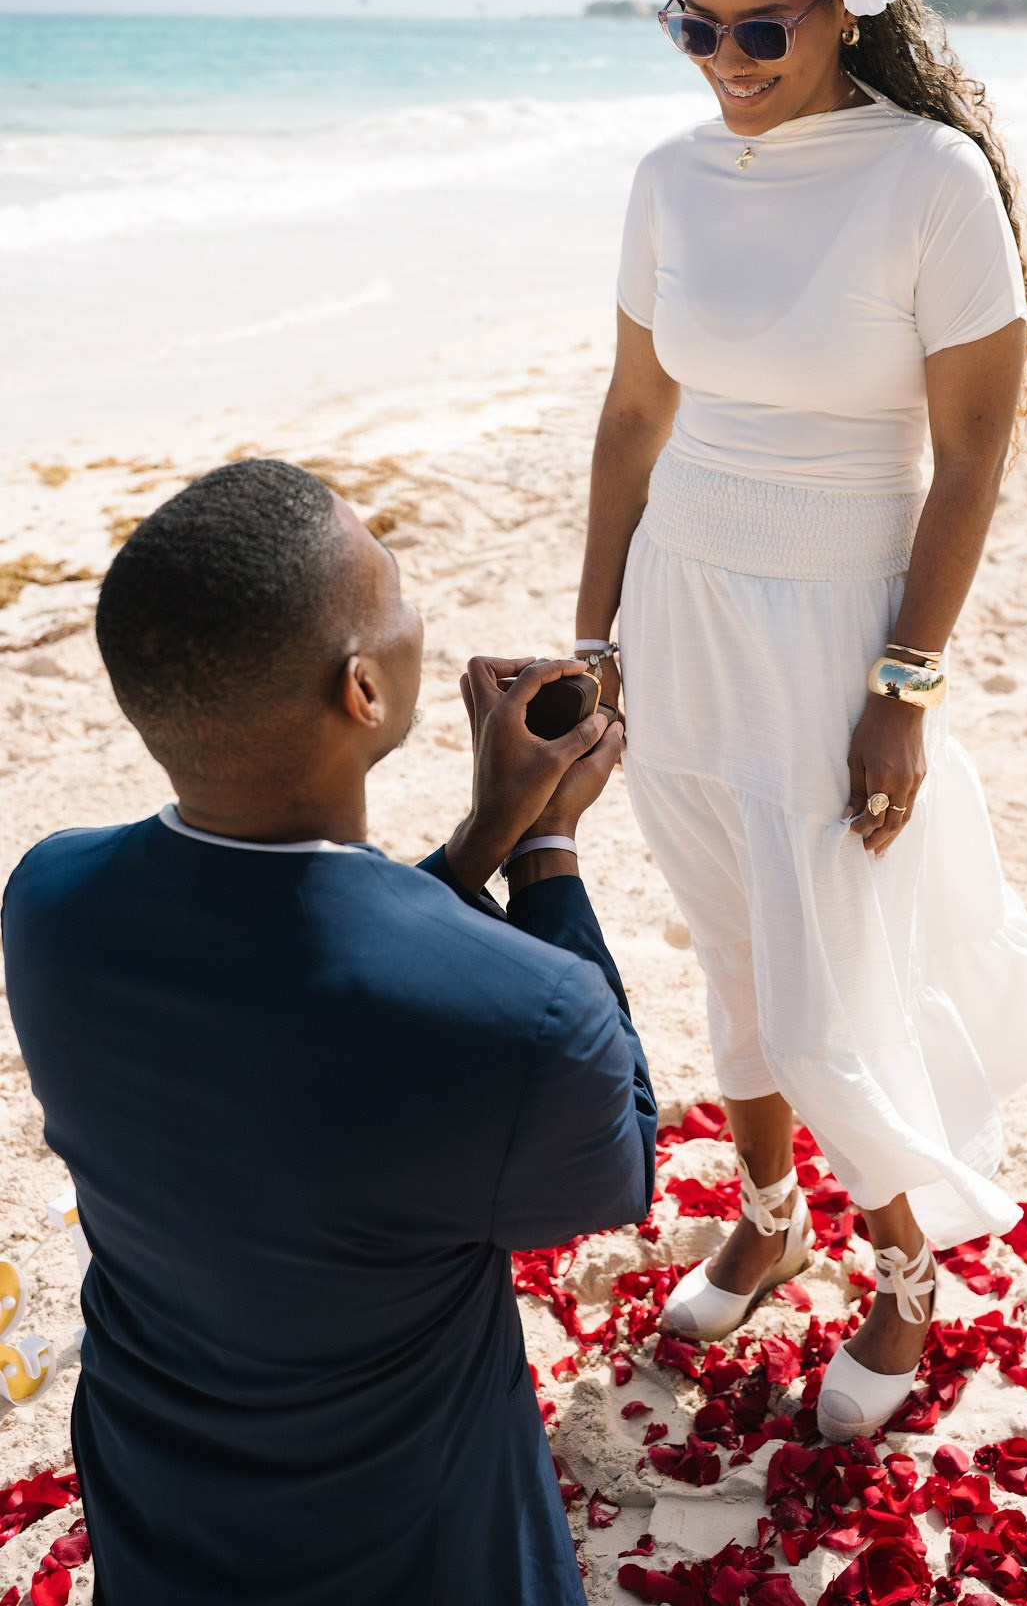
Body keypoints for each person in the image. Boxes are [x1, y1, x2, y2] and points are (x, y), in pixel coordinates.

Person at [573, 0, 1027, 1441]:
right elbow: (637, 412)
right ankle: (777, 1211)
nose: (727, 63)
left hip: (835, 632)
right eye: (695, 29)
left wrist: (904, 689)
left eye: (761, 31)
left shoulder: (930, 181)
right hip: (684, 604)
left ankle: (905, 1274)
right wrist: (593, 635)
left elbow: (975, 453)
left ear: (847, 8)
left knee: (826, 971)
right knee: (731, 943)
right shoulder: (667, 179)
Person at [2, 458, 655, 1606]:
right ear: (362, 690)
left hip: (168, 1505)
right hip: (410, 1541)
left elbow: (288, 994)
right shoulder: (525, 1018)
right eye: (395, 582)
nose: (415, 609)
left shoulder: (51, 903)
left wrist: (479, 837)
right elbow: (617, 1165)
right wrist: (547, 852)